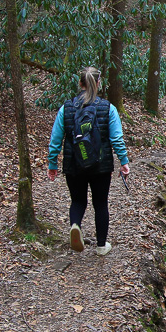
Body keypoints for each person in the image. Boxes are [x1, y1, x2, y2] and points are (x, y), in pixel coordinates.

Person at [47, 67, 130, 256]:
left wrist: (52, 164)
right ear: (98, 84)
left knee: (77, 201)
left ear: (80, 83)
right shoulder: (108, 108)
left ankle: (75, 226)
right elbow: (116, 139)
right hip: (100, 165)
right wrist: (123, 161)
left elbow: (55, 140)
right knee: (100, 203)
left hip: (74, 164)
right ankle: (101, 246)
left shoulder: (66, 108)